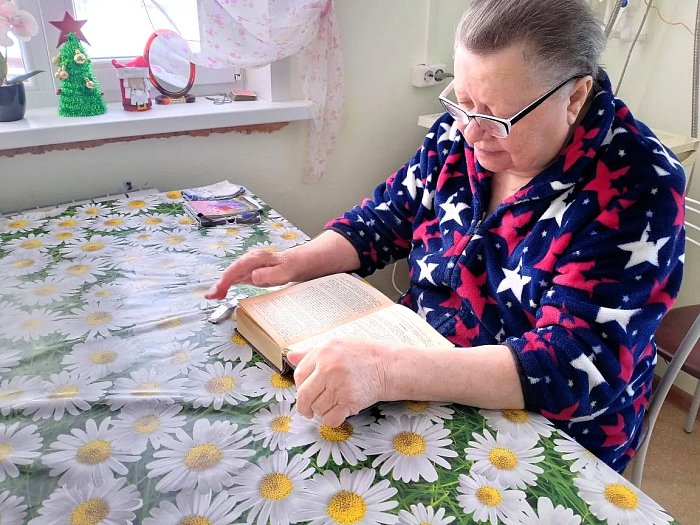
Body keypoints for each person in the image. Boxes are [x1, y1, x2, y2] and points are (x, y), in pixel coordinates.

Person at [207, 0, 685, 473]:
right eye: (462, 102)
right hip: (422, 358)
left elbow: (573, 364)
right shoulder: (457, 134)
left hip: (547, 425)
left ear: (575, 97)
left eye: (497, 117)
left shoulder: (638, 186)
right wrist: (294, 261)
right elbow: (386, 219)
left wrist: (387, 371)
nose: (472, 134)